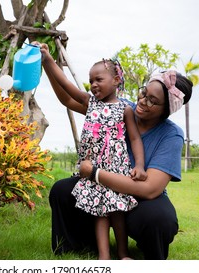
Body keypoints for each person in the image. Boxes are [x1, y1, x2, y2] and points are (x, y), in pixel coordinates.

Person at [38, 43, 193, 260]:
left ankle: (144, 255)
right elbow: (67, 98)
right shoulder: (118, 107)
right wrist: (46, 61)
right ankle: (82, 246)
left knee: (159, 219)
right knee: (62, 190)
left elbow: (150, 189)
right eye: (144, 93)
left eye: (152, 101)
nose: (142, 101)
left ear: (166, 110)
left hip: (138, 194)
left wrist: (95, 173)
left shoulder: (170, 134)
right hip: (101, 180)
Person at [35, 43, 147, 260]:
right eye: (91, 80)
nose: (93, 84)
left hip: (115, 169)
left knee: (117, 212)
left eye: (99, 79)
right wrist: (48, 58)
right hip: (91, 169)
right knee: (99, 212)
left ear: (116, 81)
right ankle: (104, 258)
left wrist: (139, 165)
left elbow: (135, 139)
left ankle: (123, 253)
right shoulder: (90, 102)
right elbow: (66, 85)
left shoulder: (125, 109)